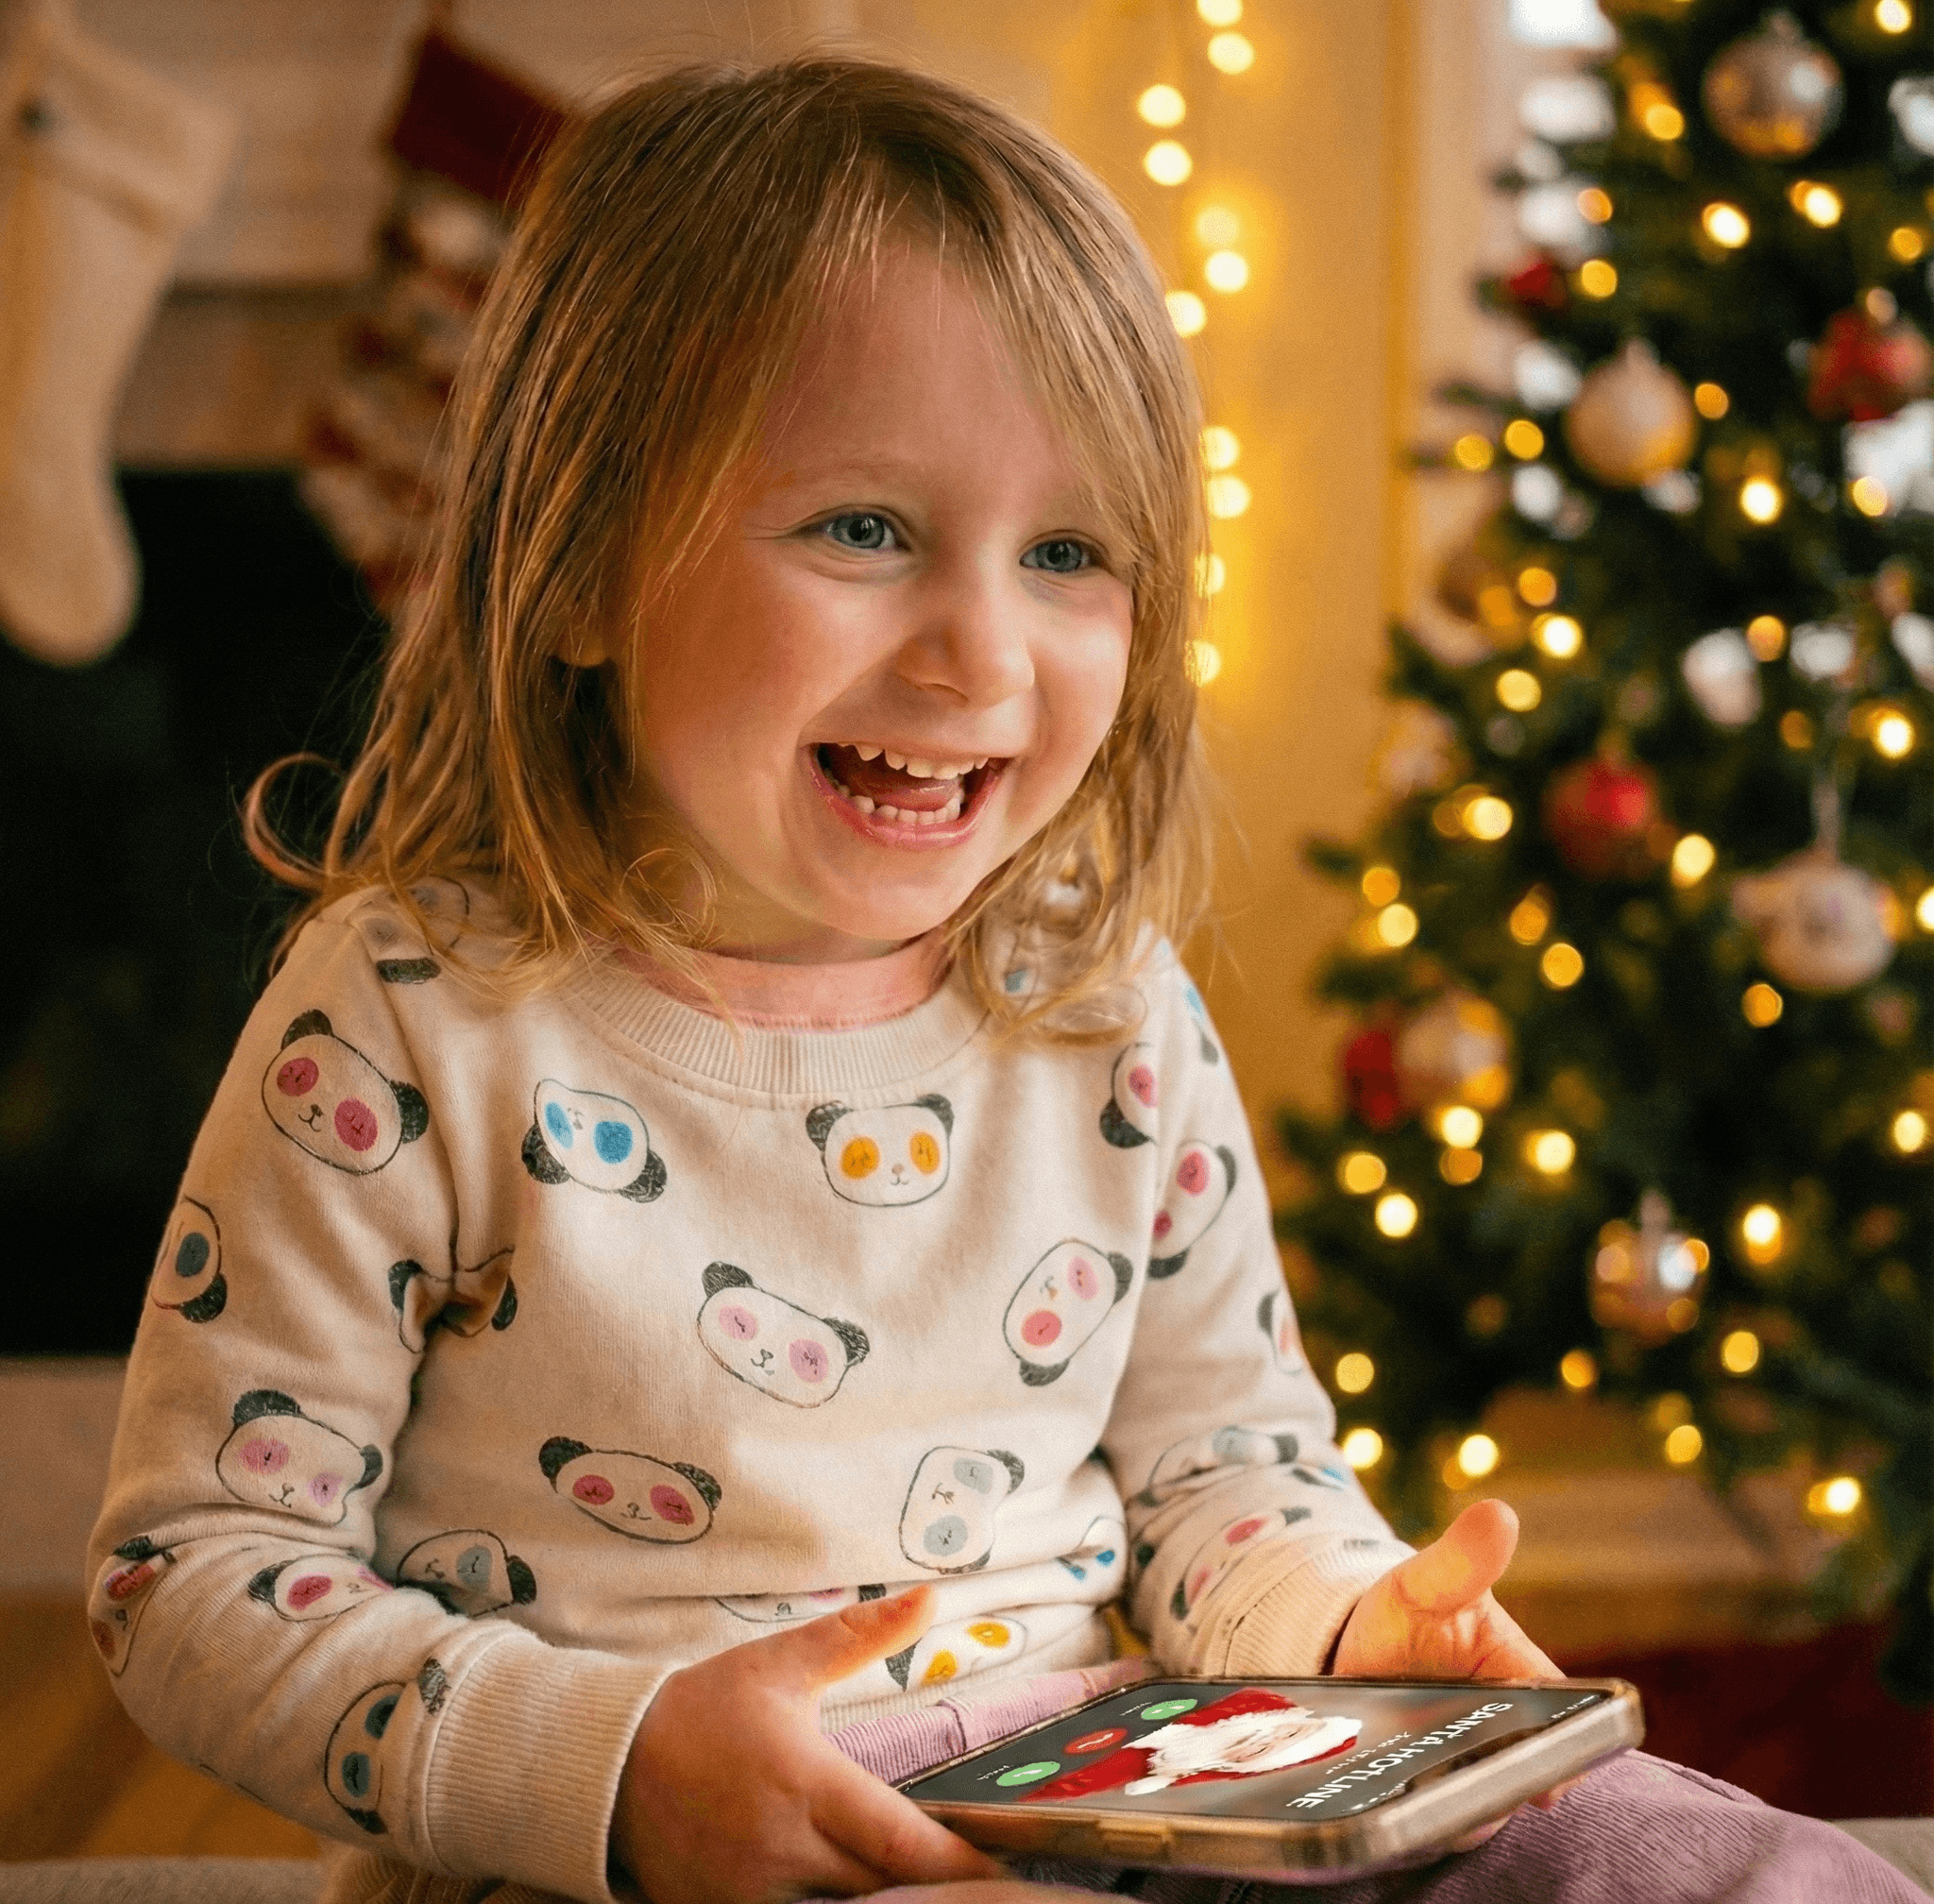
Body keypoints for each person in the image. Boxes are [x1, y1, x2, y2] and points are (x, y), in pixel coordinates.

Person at [89, 57, 1921, 1904]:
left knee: (1676, 1853)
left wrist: (1354, 1625)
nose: (981, 652)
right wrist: (611, 1771)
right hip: (637, 1853)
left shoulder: (1107, 1013)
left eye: (1066, 554)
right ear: (574, 571)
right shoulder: (410, 1018)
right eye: (863, 529)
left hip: (1127, 1783)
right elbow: (197, 1573)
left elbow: (1221, 1473)